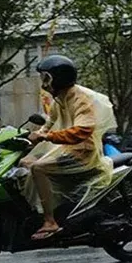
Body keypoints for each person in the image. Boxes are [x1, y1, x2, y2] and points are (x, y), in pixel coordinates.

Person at [22, 55, 115, 240]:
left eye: (46, 78)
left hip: (82, 154)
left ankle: (50, 221)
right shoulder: (60, 99)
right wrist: (33, 136)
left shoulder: (80, 99)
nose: (44, 83)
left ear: (57, 78)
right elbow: (50, 123)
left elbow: (83, 130)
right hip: (67, 150)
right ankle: (46, 211)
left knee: (38, 168)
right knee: (24, 162)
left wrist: (46, 136)